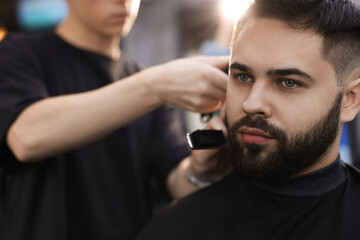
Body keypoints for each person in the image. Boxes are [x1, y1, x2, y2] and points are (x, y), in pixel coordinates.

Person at [0, 0, 231, 239]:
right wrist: (156, 86)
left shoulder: (146, 82)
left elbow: (174, 181)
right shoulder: (20, 55)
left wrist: (200, 169)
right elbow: (26, 137)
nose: (123, 2)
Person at [135, 0, 360, 239]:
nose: (251, 104)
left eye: (289, 82)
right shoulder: (173, 229)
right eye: (243, 76)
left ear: (350, 100)